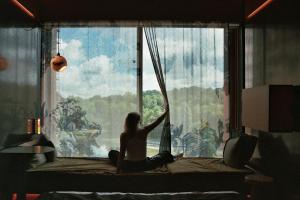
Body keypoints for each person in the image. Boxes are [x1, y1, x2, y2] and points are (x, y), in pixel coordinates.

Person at [108, 104, 174, 173]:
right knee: (165, 154)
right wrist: (166, 112)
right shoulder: (144, 131)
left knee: (112, 153)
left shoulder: (124, 135)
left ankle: (128, 160)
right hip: (145, 165)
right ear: (138, 122)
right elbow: (157, 121)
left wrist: (118, 171)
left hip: (129, 166)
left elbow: (121, 155)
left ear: (127, 122)